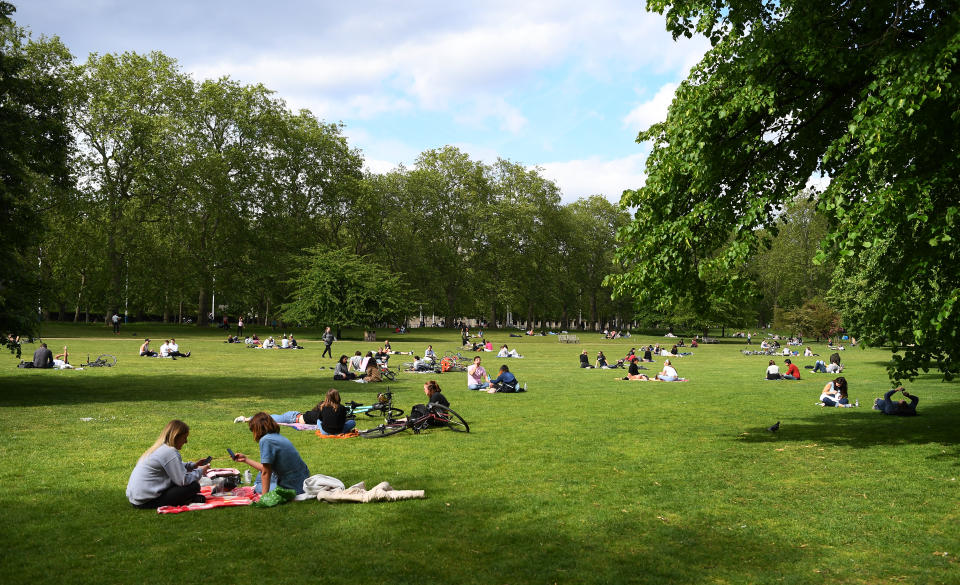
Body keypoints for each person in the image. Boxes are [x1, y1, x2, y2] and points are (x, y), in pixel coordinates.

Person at [126, 420, 208, 508]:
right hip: (147, 501)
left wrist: (193, 466)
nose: (186, 441)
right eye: (184, 438)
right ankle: (187, 499)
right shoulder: (170, 452)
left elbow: (171, 466)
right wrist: (200, 471)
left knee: (182, 483)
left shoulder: (160, 448)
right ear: (176, 436)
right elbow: (183, 481)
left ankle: (188, 499)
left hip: (136, 500)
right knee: (193, 486)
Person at [233, 413, 310, 495]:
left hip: (293, 486)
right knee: (259, 477)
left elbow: (266, 472)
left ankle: (263, 488)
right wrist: (245, 459)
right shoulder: (277, 436)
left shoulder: (266, 440)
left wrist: (264, 497)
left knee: (258, 486)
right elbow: (266, 468)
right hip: (302, 478)